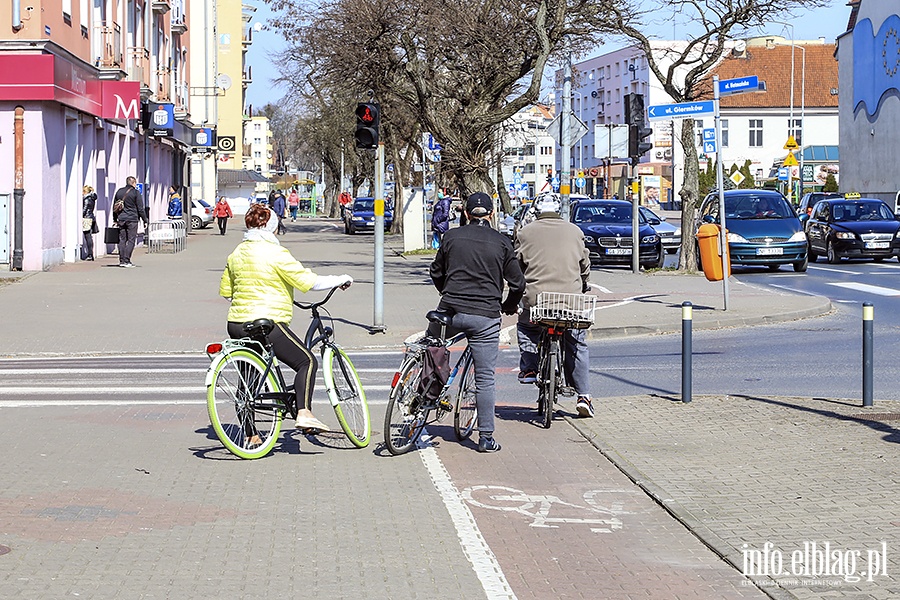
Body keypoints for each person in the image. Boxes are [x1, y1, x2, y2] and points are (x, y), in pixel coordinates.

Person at [219, 204, 353, 435]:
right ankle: (304, 413)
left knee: (248, 381)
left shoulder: (236, 253)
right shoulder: (275, 253)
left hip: (236, 324)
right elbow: (309, 282)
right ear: (272, 228)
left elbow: (226, 291)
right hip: (267, 322)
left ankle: (250, 436)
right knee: (306, 362)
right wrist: (340, 278)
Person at [429, 192, 525, 453]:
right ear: (492, 214)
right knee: (484, 377)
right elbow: (518, 283)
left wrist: (445, 291)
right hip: (484, 316)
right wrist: (507, 305)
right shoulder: (502, 242)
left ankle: (421, 396)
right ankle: (485, 438)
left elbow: (435, 271)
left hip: (450, 309)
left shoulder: (451, 237)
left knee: (431, 349)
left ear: (466, 214)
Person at [514, 193, 594, 418]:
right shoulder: (575, 231)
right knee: (576, 342)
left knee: (527, 328)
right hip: (571, 301)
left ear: (536, 211)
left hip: (537, 300)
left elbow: (517, 265)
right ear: (559, 211)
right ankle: (583, 396)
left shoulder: (524, 232)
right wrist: (585, 283)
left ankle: (529, 367)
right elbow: (584, 264)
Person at [113, 176, 148, 268]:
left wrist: (115, 219)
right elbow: (140, 208)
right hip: (132, 219)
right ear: (134, 183)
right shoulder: (136, 193)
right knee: (131, 240)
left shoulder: (119, 191)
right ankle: (127, 260)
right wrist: (145, 220)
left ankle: (121, 260)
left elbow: (115, 206)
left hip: (121, 218)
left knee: (122, 239)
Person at [82, 185, 98, 261]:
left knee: (88, 236)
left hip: (87, 219)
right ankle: (90, 254)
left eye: (83, 191)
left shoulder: (86, 199)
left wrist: (79, 216)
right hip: (91, 217)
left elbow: (84, 209)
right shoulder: (92, 198)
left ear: (85, 192)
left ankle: (90, 254)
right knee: (89, 237)